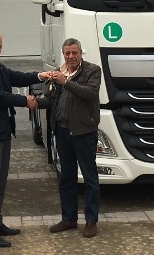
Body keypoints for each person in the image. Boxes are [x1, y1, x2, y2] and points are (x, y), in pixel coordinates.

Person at [0, 31, 51, 248]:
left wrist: (40, 75)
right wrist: (26, 101)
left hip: (3, 131)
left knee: (0, 182)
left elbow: (18, 77)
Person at [37, 38, 102, 238]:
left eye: (74, 53)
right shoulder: (59, 71)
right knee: (66, 177)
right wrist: (34, 102)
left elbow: (90, 93)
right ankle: (69, 219)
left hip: (83, 132)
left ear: (81, 53)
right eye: (67, 53)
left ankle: (91, 221)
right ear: (63, 54)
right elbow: (50, 99)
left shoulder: (92, 71)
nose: (71, 56)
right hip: (63, 132)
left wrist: (65, 82)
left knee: (89, 178)